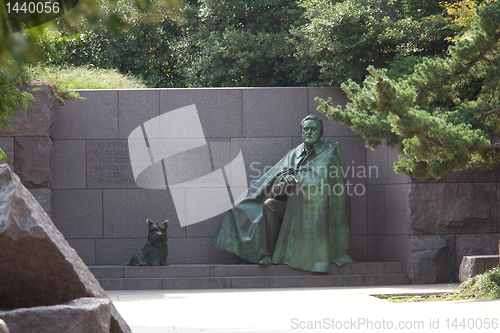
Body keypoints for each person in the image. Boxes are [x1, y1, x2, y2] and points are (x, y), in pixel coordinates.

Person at [211, 115, 354, 273]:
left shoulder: (329, 153)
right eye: (305, 129)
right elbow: (276, 179)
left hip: (310, 210)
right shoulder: (294, 153)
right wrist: (283, 181)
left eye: (313, 129)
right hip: (288, 204)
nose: (309, 132)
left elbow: (325, 185)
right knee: (264, 205)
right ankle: (263, 254)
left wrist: (299, 184)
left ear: (320, 132)